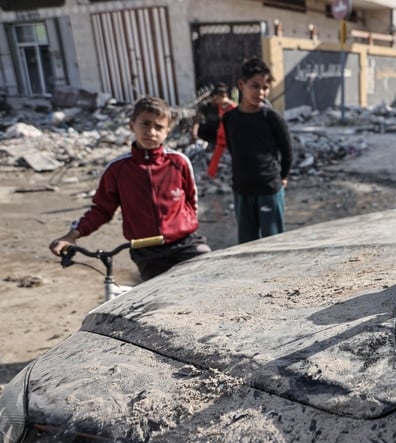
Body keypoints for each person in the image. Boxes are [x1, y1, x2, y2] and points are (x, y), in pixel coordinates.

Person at [49, 96, 211, 280]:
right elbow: (101, 210)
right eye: (145, 124)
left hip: (186, 244)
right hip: (146, 251)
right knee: (158, 303)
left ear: (167, 131)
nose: (151, 132)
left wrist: (181, 227)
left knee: (207, 280)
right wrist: (72, 235)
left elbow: (191, 203)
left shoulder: (179, 163)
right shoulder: (118, 170)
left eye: (159, 127)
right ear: (132, 125)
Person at [222, 57, 293, 244]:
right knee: (247, 244)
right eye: (255, 86)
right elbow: (233, 147)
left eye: (265, 88)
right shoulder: (230, 118)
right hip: (242, 190)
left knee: (273, 241)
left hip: (268, 188)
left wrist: (282, 176)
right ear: (241, 84)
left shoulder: (271, 117)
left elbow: (286, 151)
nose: (260, 92)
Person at [191, 83, 237, 178]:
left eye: (219, 98)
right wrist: (194, 133)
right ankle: (211, 173)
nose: (217, 101)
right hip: (219, 134)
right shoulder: (212, 106)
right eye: (216, 98)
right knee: (216, 155)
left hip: (228, 134)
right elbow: (197, 120)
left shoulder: (229, 107)